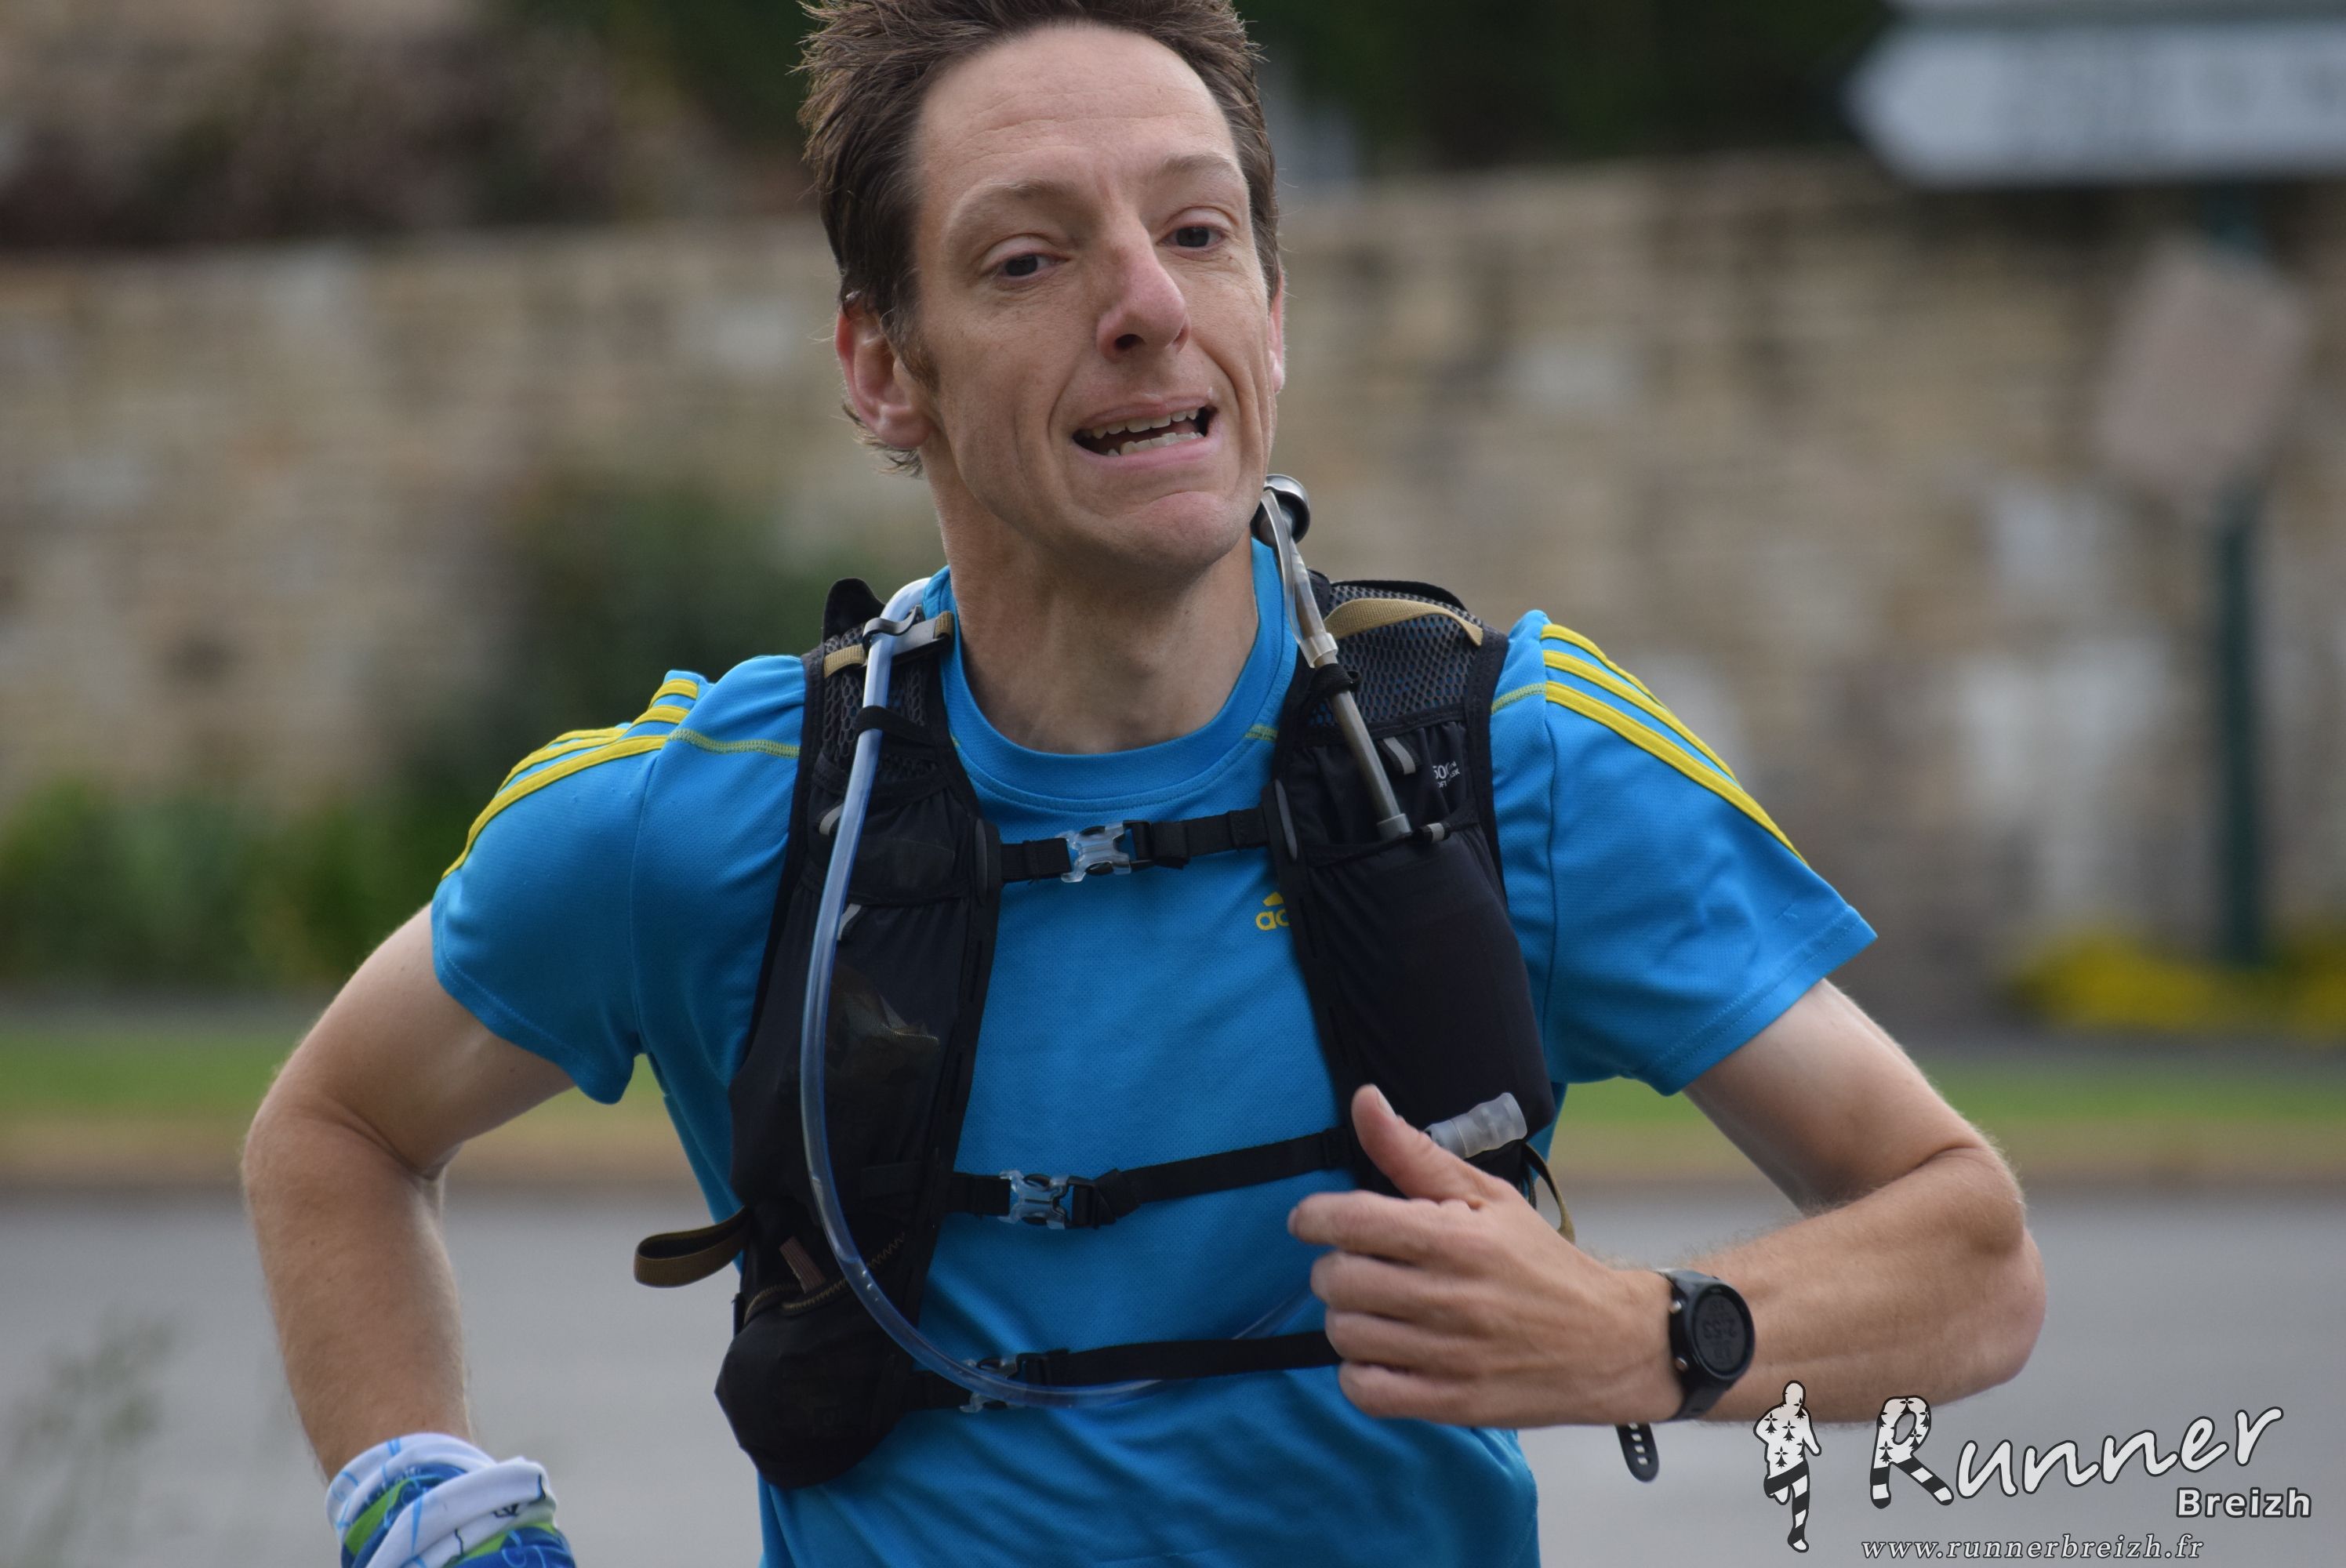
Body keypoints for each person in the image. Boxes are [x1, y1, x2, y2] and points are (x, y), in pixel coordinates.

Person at [242, 3, 2046, 1565]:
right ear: (882, 368)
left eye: (1196, 230)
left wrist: (1641, 1334)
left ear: (1272, 307)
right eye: (1025, 260)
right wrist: (430, 1510)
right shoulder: (713, 815)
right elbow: (335, 1132)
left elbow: (1967, 1248)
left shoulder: (1509, 761)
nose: (1145, 305)